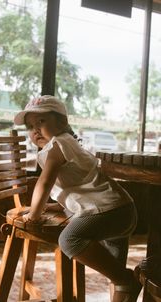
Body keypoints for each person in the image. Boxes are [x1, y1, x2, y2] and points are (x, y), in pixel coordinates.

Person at [14, 95, 141, 302]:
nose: (35, 129)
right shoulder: (68, 144)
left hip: (108, 211)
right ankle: (125, 284)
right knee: (116, 277)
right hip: (120, 209)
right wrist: (58, 205)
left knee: (69, 239)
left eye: (41, 121)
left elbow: (44, 182)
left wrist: (34, 214)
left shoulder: (59, 145)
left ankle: (128, 279)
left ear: (62, 123)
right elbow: (79, 185)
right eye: (30, 126)